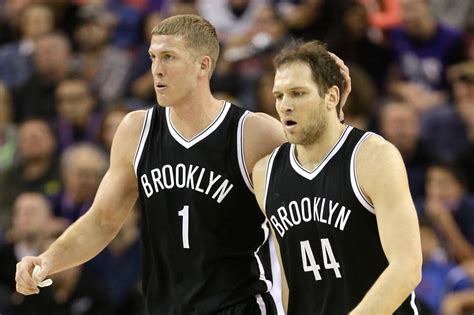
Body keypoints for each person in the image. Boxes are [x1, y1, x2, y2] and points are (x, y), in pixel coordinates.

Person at [15, 14, 291, 315]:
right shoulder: (136, 130)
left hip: (240, 305)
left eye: (169, 57)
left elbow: (305, 214)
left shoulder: (254, 133)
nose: (156, 70)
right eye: (152, 57)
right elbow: (102, 219)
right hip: (165, 307)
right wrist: (48, 260)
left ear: (203, 65)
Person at [252, 40, 422, 314]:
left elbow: (407, 267)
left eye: (298, 93)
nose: (285, 105)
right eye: (279, 95)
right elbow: (288, 279)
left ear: (331, 97)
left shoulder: (373, 157)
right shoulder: (265, 174)